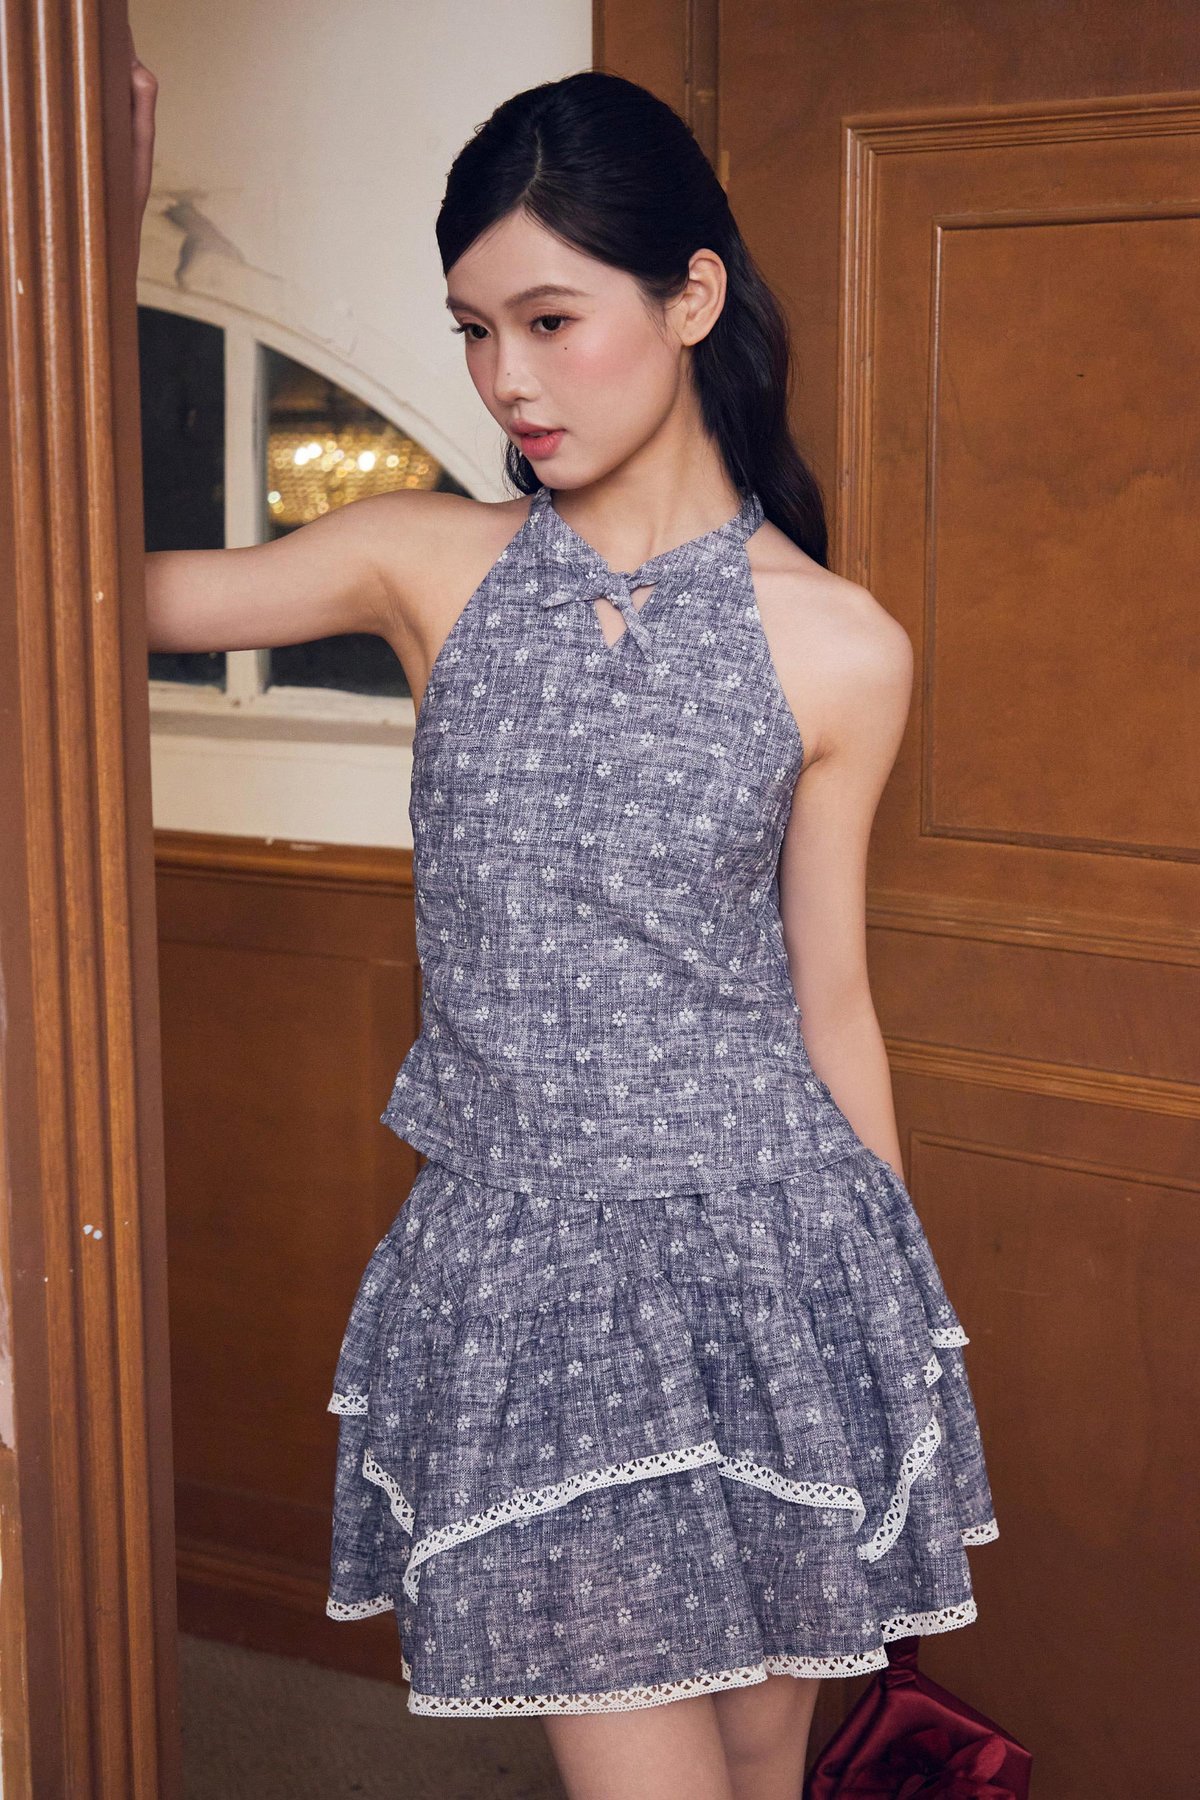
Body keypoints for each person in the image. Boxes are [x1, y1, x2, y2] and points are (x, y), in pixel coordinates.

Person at [131, 51, 997, 1800]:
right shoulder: (425, 563)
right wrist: (77, 248)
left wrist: (894, 1340)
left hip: (774, 1259)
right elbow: (91, 592)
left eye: (547, 320)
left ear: (692, 298)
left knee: (758, 1765)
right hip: (531, 1275)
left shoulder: (841, 644)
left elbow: (829, 994)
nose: (505, 379)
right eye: (473, 330)